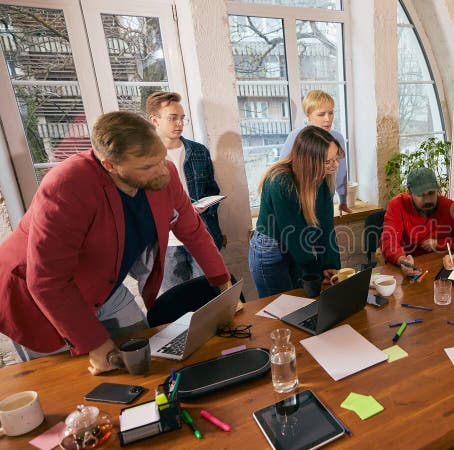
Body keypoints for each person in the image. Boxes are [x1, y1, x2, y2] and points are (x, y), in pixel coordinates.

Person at [0, 111, 231, 375]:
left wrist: (221, 279)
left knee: (142, 356)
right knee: (70, 380)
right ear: (110, 165)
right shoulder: (67, 184)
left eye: (160, 159)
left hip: (103, 284)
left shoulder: (163, 172)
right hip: (36, 297)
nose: (161, 171)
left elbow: (193, 230)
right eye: (146, 167)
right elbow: (46, 280)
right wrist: (95, 344)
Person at [250, 126, 342, 297]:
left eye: (336, 158)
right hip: (271, 250)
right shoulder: (279, 182)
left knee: (302, 302)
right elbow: (294, 235)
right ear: (309, 161)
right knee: (280, 308)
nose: (336, 165)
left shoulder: (323, 177)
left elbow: (327, 226)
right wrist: (317, 270)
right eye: (328, 161)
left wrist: (330, 264)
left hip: (297, 246)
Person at [146, 91, 225, 294]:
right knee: (174, 306)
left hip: (200, 232)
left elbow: (211, 189)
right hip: (166, 245)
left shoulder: (198, 151)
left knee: (210, 298)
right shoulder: (143, 159)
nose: (179, 123)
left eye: (182, 118)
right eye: (173, 118)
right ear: (154, 120)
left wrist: (203, 207)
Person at [381, 167, 454, 277]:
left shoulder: (447, 206)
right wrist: (402, 260)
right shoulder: (397, 205)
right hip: (406, 268)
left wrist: (440, 243)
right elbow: (388, 241)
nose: (427, 200)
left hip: (440, 265)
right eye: (421, 195)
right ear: (409, 192)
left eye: (431, 193)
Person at [279, 90, 351, 214]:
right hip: (298, 200)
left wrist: (343, 199)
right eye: (321, 114)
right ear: (308, 115)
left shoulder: (337, 138)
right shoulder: (296, 137)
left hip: (325, 196)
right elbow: (282, 171)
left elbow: (341, 171)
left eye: (331, 113)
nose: (328, 119)